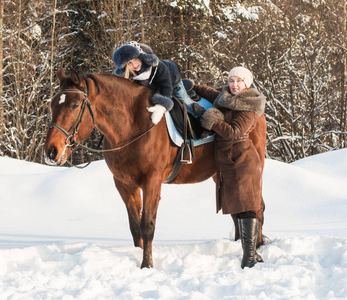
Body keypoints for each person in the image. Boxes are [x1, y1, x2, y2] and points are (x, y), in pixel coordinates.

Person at [197, 66, 266, 269]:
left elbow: (234, 133)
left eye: (239, 81)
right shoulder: (226, 97)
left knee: (246, 207)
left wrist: (213, 121)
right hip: (231, 160)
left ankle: (249, 256)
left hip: (243, 160)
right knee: (240, 204)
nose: (235, 85)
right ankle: (250, 253)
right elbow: (212, 93)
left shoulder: (249, 105)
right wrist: (194, 86)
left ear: (247, 84)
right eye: (232, 80)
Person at [112, 41, 203, 124]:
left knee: (184, 100)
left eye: (135, 60)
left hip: (172, 82)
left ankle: (202, 116)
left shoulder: (158, 67)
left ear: (141, 56)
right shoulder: (133, 75)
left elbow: (166, 87)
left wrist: (161, 107)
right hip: (154, 87)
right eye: (129, 63)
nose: (134, 65)